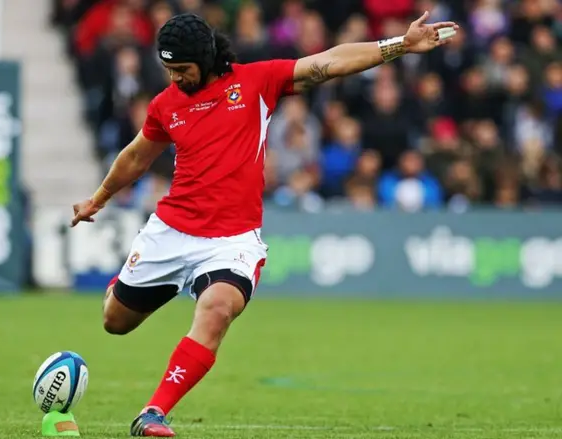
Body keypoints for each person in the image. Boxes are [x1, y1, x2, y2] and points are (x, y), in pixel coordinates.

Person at [70, 11, 458, 437]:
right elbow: (136, 156)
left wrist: (398, 44)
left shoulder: (256, 82)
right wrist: (98, 199)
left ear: (205, 57)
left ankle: (153, 413)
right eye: (169, 71)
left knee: (217, 310)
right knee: (115, 321)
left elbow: (328, 61)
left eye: (183, 70)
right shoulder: (167, 105)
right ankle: (121, 284)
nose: (176, 79)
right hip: (171, 230)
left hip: (233, 240)